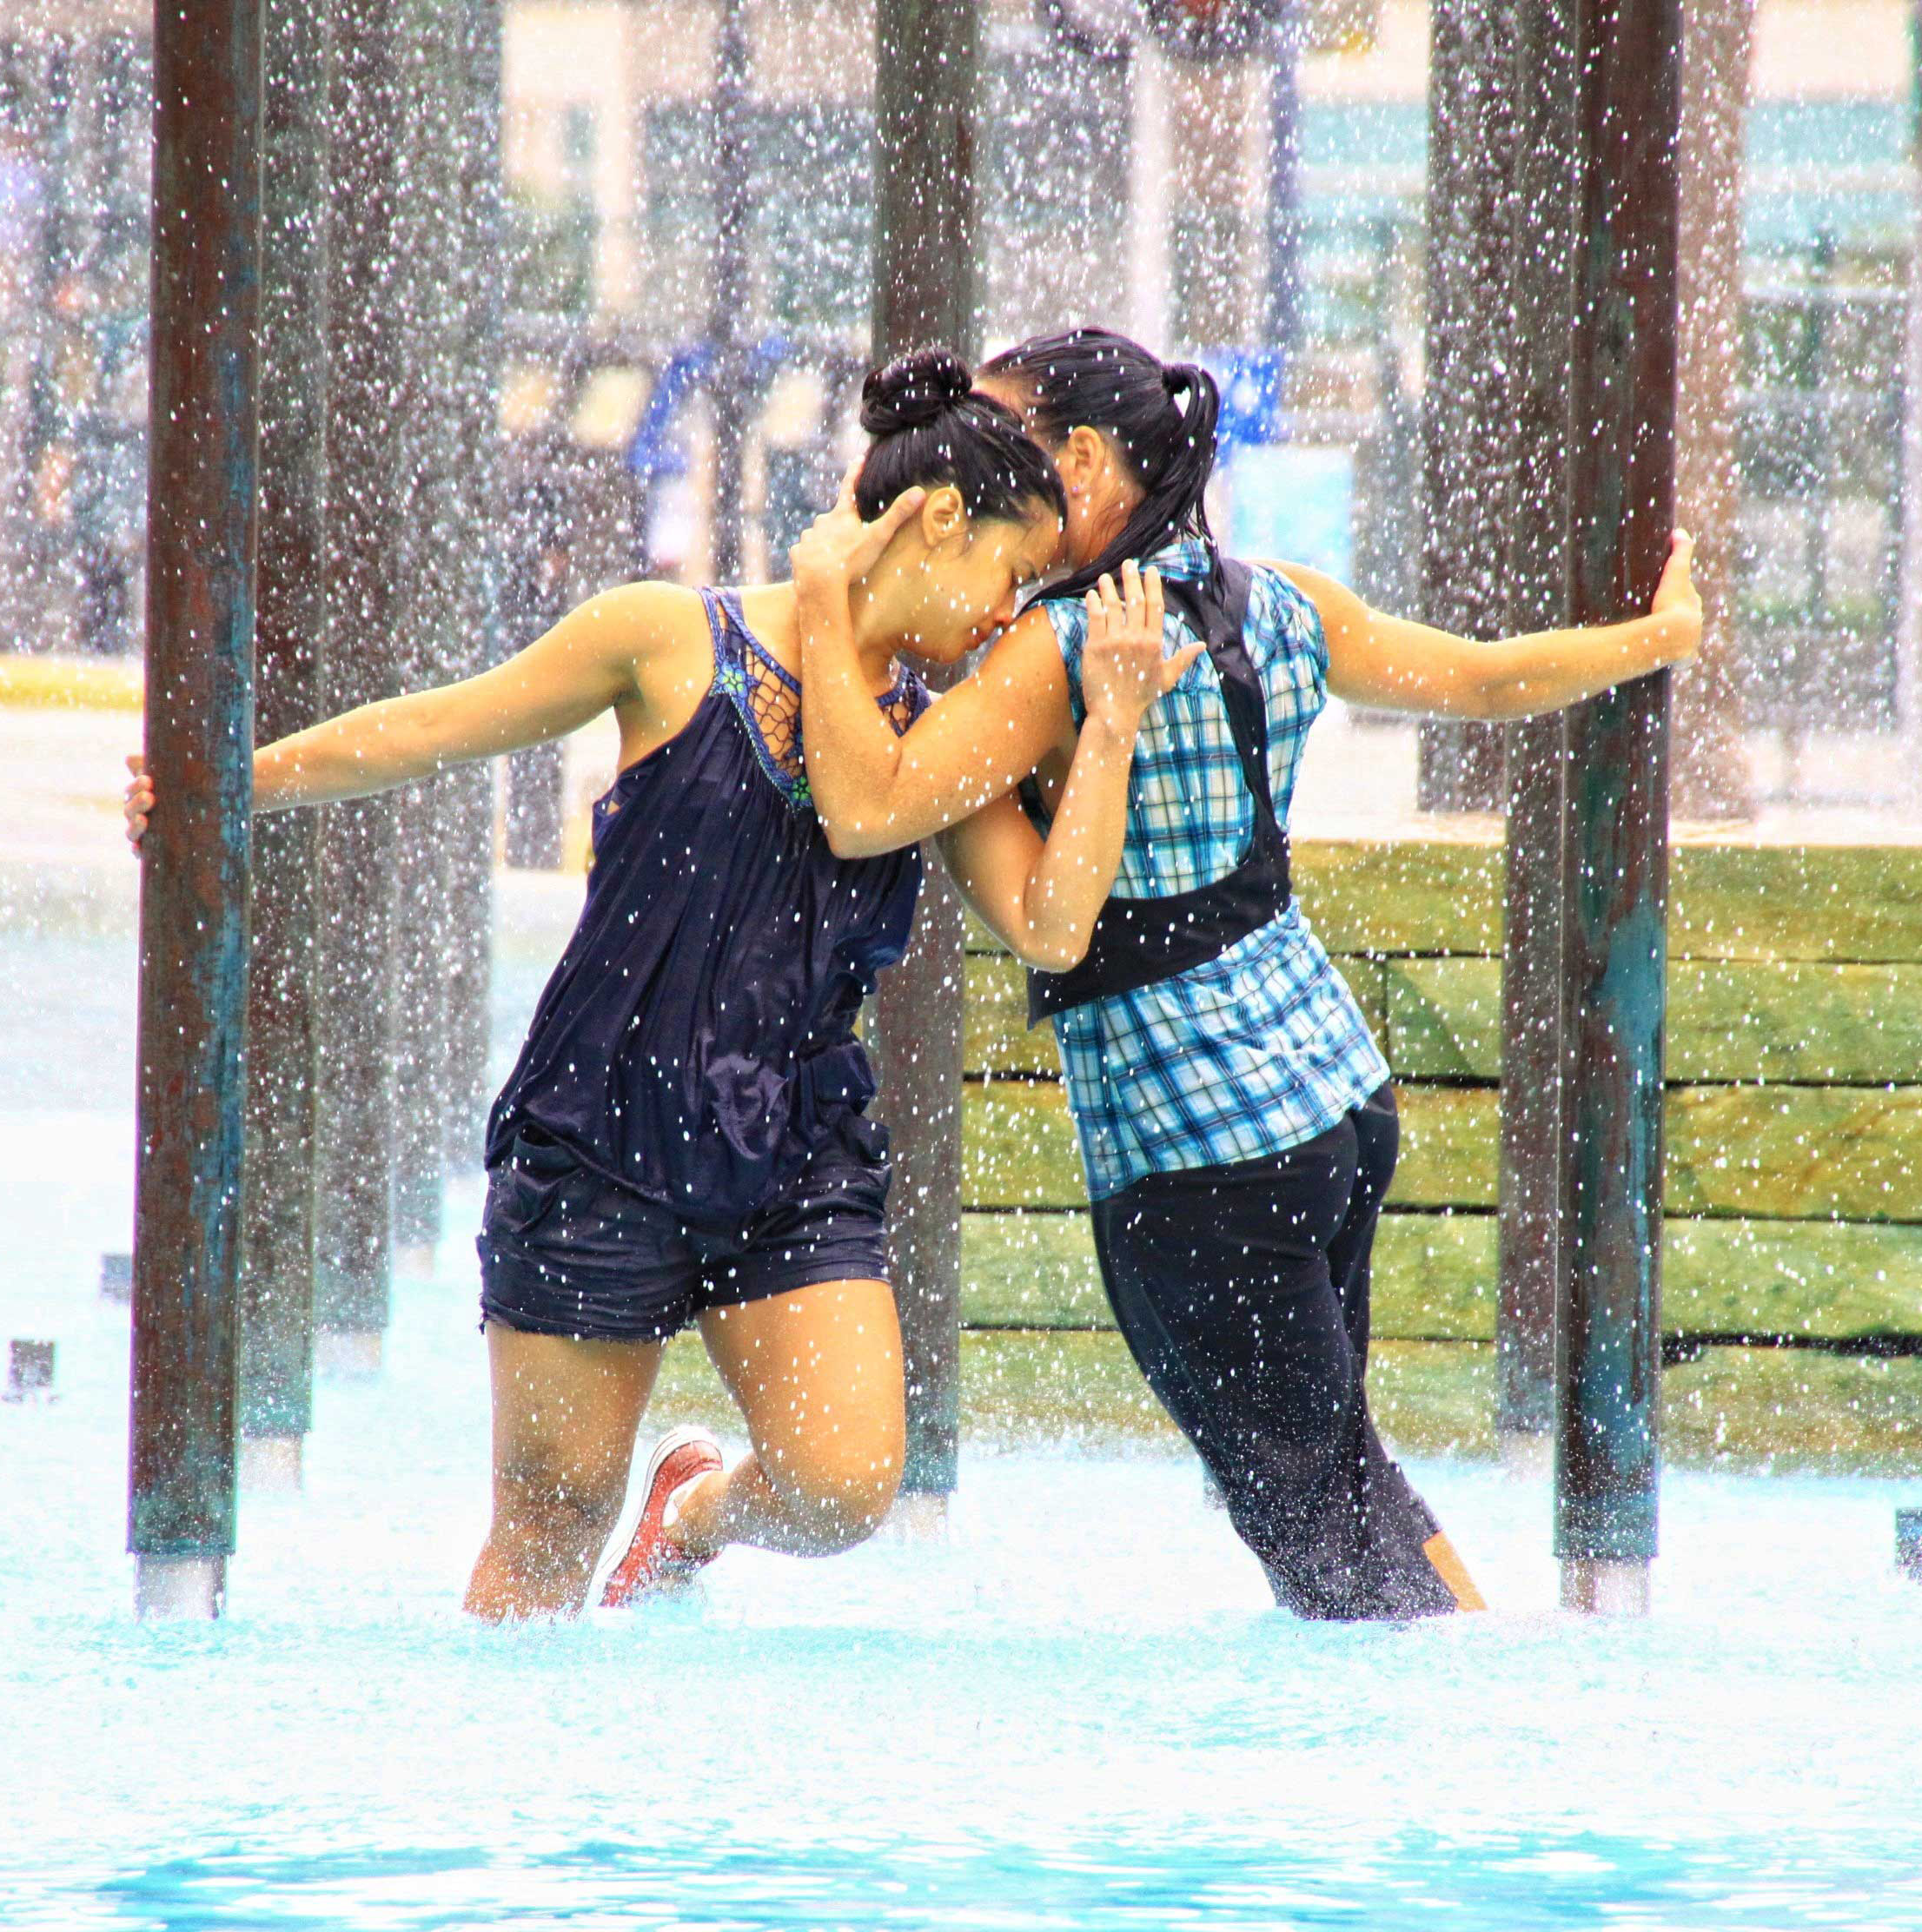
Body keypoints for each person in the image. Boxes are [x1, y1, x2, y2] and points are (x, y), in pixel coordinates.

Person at [123, 347, 1193, 1622]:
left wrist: (1114, 726)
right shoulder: (667, 638)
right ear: (943, 521)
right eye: (1013, 576)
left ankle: (688, 1521)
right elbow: (444, 725)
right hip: (603, 1133)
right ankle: (520, 1804)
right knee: (547, 1533)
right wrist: (233, 785)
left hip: (792, 1147)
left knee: (845, 1484)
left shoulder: (925, 740)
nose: (1011, 617)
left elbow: (1052, 926)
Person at [790, 326, 1703, 1621]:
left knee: (1323, 1537)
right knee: (1340, 1475)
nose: (980, 465)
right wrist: (1652, 640)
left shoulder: (1059, 655)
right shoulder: (1274, 597)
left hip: (1197, 1149)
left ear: (1089, 464)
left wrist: (827, 606)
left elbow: (869, 804)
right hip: (1332, 1103)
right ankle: (1487, 1685)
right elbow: (1488, 682)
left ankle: (1470, 1760)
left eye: (1010, 441)